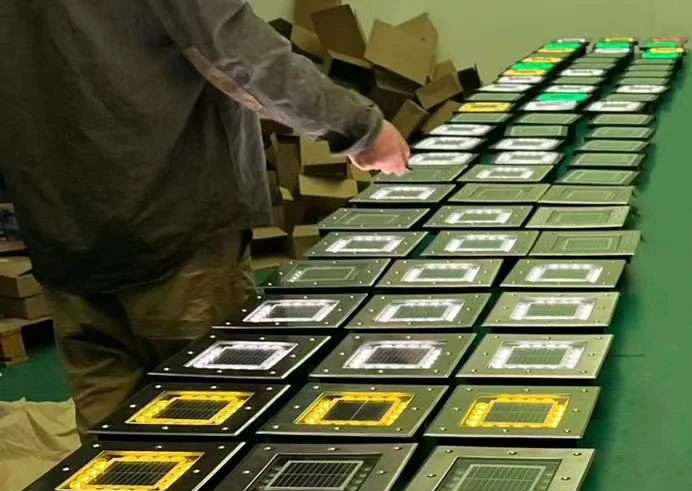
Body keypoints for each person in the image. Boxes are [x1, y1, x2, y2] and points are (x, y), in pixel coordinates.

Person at [0, 0, 411, 435]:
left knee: (110, 444)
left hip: (61, 238)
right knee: (217, 429)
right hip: (175, 229)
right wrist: (360, 129)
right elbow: (238, 48)